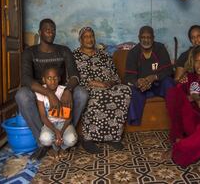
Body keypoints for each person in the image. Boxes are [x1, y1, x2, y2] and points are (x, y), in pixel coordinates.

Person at [15, 18, 88, 160]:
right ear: (39, 32)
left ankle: (66, 135)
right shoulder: (29, 52)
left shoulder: (64, 50)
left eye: (53, 30)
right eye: (47, 29)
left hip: (62, 91)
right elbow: (25, 79)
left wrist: (68, 90)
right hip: (39, 93)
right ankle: (43, 143)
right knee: (22, 95)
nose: (51, 32)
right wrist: (48, 93)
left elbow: (74, 75)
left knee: (82, 93)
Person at [73, 27, 131, 154]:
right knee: (97, 94)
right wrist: (96, 83)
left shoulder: (104, 55)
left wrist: (109, 83)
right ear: (80, 40)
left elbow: (115, 75)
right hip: (87, 86)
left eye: (91, 36)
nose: (89, 39)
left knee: (125, 91)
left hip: (107, 85)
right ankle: (88, 139)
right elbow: (73, 77)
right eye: (86, 36)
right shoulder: (75, 55)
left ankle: (112, 137)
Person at [125, 26, 175, 125]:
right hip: (142, 88)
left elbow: (168, 70)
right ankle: (135, 125)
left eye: (149, 37)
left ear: (153, 38)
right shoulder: (133, 53)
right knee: (132, 90)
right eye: (143, 37)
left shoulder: (160, 48)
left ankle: (176, 119)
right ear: (139, 38)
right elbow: (129, 76)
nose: (146, 40)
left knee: (169, 82)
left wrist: (154, 77)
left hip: (158, 85)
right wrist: (137, 82)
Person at [36, 66, 77, 159]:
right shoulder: (41, 91)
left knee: (72, 139)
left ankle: (63, 148)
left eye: (55, 78)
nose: (52, 81)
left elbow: (69, 117)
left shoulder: (64, 91)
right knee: (44, 139)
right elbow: (43, 116)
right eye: (49, 78)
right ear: (44, 79)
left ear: (59, 79)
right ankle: (54, 148)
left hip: (64, 123)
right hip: (50, 124)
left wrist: (61, 132)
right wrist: (56, 131)